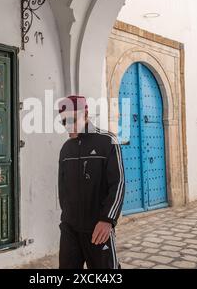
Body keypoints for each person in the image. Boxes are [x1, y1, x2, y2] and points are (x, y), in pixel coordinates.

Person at [57, 96, 125, 269]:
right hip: (70, 229)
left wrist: (107, 220)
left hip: (98, 228)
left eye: (72, 119)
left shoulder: (107, 141)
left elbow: (118, 184)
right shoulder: (66, 149)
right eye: (64, 121)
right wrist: (67, 218)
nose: (67, 125)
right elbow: (62, 189)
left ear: (85, 115)